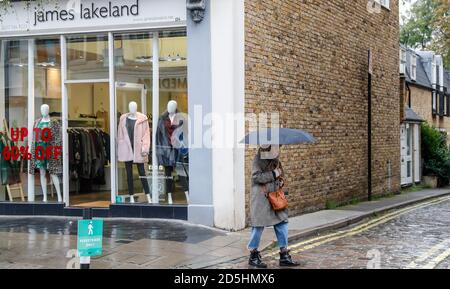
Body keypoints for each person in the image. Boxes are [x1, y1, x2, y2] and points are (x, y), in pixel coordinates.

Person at [248, 144, 300, 268]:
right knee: (258, 226)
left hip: (275, 197)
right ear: (269, 148)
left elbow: (280, 174)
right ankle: (253, 255)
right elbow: (256, 177)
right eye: (276, 147)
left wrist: (280, 179)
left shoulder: (276, 159)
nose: (278, 150)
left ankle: (284, 255)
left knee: (282, 222)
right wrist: (273, 174)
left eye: (279, 147)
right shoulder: (258, 159)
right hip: (261, 197)